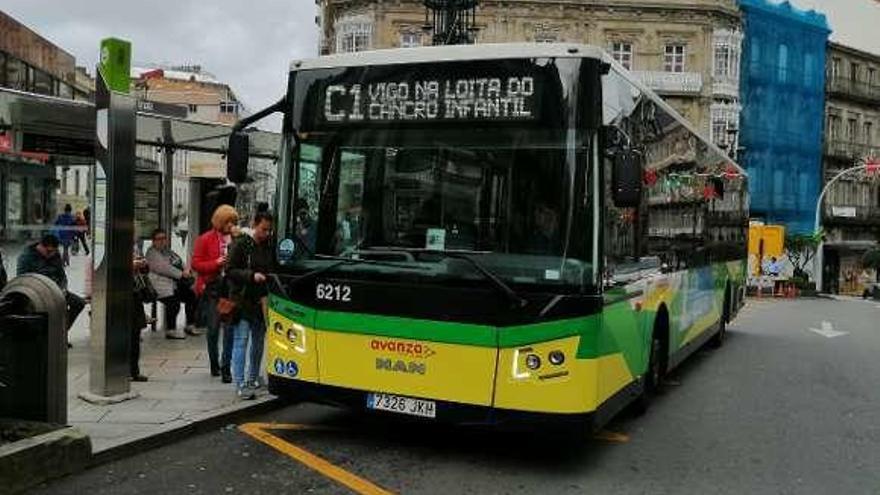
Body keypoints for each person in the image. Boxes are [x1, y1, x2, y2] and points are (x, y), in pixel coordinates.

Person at [227, 211, 275, 400]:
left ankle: (253, 378)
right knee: (242, 340)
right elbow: (229, 270)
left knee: (258, 341)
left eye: (269, 230)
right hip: (242, 300)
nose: (266, 233)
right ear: (254, 224)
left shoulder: (267, 245)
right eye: (263, 229)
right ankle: (240, 383)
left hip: (261, 300)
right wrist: (251, 276)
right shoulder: (241, 243)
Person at [192, 205, 239, 382]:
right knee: (213, 329)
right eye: (228, 221)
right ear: (220, 221)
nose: (231, 225)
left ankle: (226, 366)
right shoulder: (205, 239)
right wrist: (216, 262)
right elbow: (196, 264)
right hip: (213, 287)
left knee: (229, 329)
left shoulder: (236, 240)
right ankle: (214, 364)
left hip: (230, 287)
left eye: (233, 221)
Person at [16, 234, 86, 339]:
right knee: (49, 309)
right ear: (40, 247)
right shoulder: (26, 257)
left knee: (78, 303)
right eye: (48, 252)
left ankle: (60, 333)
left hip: (56, 290)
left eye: (53, 252)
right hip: (37, 293)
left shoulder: (55, 255)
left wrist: (63, 289)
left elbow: (62, 276)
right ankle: (46, 337)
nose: (51, 255)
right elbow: (23, 280)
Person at [146, 228, 199, 339]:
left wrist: (186, 270)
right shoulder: (152, 253)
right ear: (153, 241)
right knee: (174, 304)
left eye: (163, 238)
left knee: (191, 296)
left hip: (174, 284)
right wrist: (181, 274)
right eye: (158, 239)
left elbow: (179, 261)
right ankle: (171, 330)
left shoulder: (168, 251)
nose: (162, 241)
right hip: (160, 286)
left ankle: (190, 325)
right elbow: (164, 268)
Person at [131, 256, 150, 382]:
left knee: (134, 337)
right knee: (129, 337)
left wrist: (142, 265)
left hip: (135, 298)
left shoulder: (132, 249)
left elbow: (144, 272)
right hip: (123, 298)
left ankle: (133, 370)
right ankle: (130, 370)